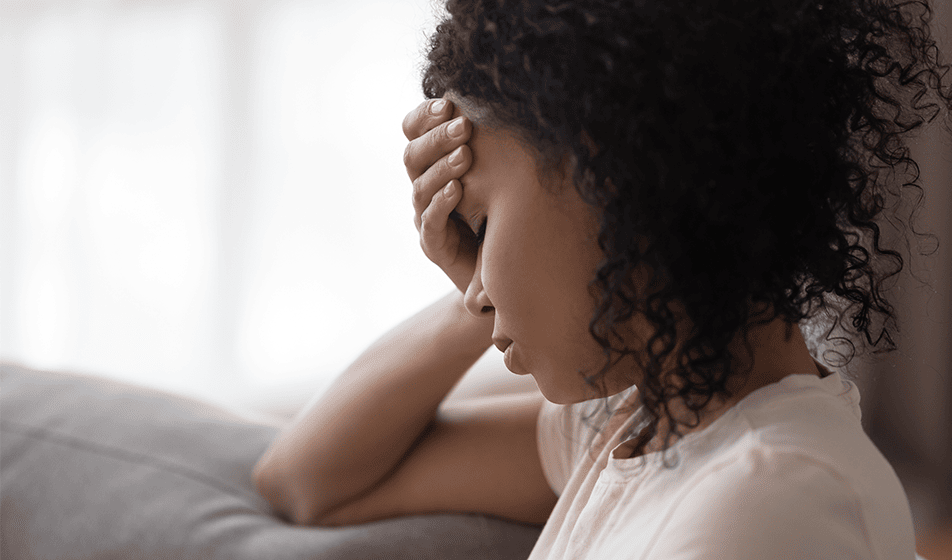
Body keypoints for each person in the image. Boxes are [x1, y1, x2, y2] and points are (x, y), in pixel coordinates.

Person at [253, 0, 952, 557]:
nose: (473, 271)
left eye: (483, 224)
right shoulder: (638, 426)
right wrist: (473, 295)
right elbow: (307, 482)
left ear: (607, 175)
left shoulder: (767, 500)